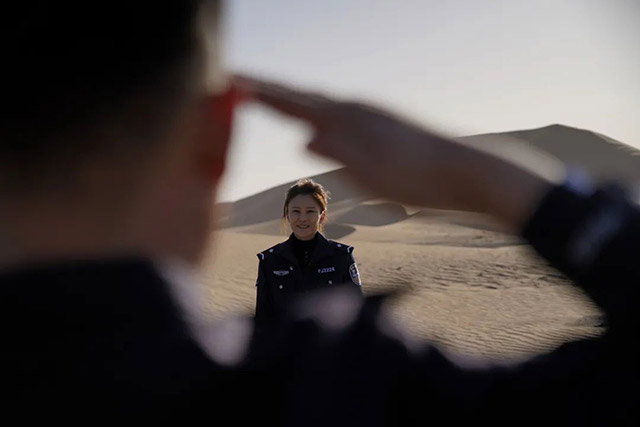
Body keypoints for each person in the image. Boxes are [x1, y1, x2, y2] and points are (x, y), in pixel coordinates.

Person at [2, 1, 638, 425]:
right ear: (219, 137)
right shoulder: (333, 391)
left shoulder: (335, 292)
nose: (303, 218)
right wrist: (480, 176)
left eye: (310, 210)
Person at [255, 178, 362, 323]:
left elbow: (357, 314)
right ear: (287, 214)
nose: (303, 218)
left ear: (322, 215)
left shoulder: (341, 257)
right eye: (296, 211)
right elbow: (262, 320)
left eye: (310, 211)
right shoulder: (270, 261)